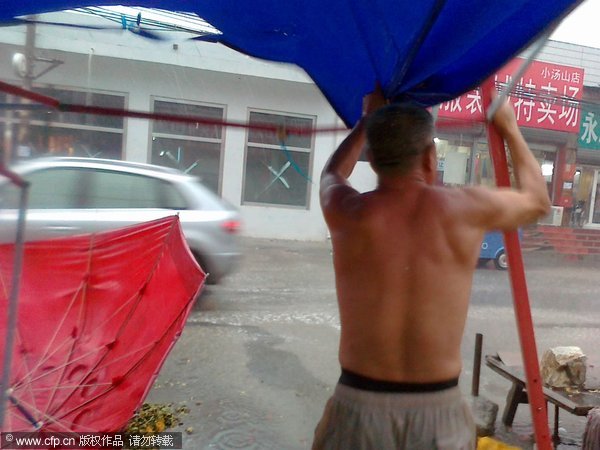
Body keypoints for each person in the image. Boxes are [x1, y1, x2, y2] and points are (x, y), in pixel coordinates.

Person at [313, 86, 551, 450]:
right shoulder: (463, 209)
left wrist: (366, 122)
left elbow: (331, 175)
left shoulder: (348, 212)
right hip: (438, 413)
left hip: (358, 407)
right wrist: (509, 127)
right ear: (429, 157)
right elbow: (537, 201)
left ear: (373, 160)